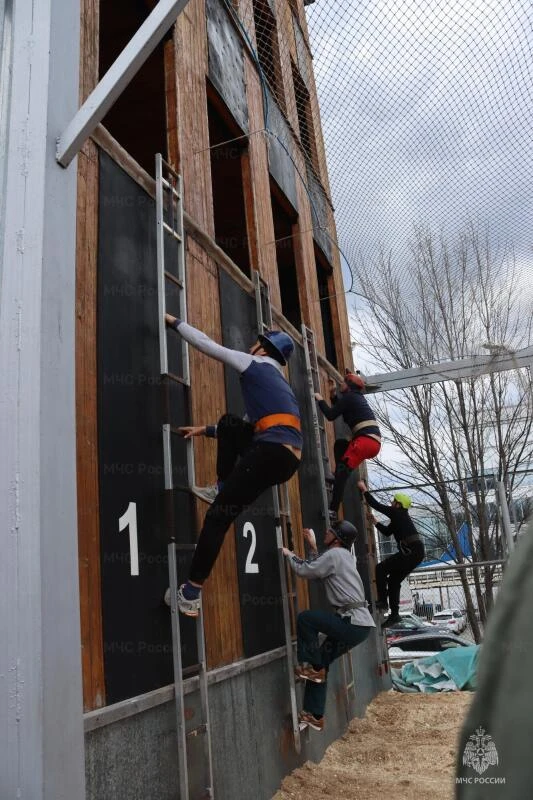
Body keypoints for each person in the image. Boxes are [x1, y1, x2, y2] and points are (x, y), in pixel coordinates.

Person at [165, 313, 302, 617]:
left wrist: (174, 322)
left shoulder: (254, 363)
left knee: (218, 518)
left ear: (264, 349)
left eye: (257, 343)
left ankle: (190, 594)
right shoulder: (279, 386)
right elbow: (241, 428)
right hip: (286, 459)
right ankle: (221, 487)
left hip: (269, 452)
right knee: (229, 422)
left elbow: (207, 345)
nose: (252, 345)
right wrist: (205, 430)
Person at [282, 521, 375, 732]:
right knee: (322, 662)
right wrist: (313, 547)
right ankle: (314, 715)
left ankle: (313, 668)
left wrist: (289, 554)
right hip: (360, 625)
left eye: (330, 531)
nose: (326, 531)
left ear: (337, 538)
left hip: (351, 621)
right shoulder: (343, 556)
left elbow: (305, 570)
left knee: (306, 619)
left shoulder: (335, 555)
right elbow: (320, 571)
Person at [357, 479, 424, 626]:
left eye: (394, 501)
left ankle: (383, 601)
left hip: (411, 553)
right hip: (415, 553)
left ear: (398, 505)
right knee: (393, 581)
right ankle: (394, 615)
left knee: (380, 568)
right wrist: (375, 522)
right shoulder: (400, 518)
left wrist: (364, 490)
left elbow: (376, 505)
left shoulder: (397, 513)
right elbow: (387, 532)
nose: (391, 503)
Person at [314, 371, 381, 519]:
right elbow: (342, 412)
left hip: (365, 442)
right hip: (370, 442)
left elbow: (331, 415)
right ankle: (337, 476)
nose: (341, 383)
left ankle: (333, 510)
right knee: (340, 445)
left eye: (344, 382)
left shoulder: (350, 397)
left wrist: (320, 399)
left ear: (349, 386)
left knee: (342, 473)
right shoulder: (355, 398)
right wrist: (333, 395)